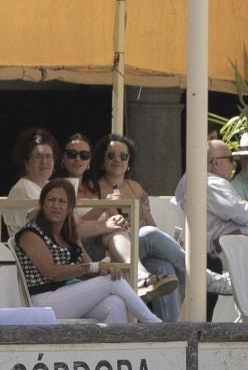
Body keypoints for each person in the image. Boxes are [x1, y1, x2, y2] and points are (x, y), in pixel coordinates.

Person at [13, 179, 162, 324]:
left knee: (115, 303)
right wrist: (96, 267)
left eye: (62, 201)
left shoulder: (68, 233)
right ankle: (155, 325)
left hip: (66, 296)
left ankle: (115, 348)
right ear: (42, 204)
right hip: (42, 301)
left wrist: (106, 268)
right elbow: (51, 272)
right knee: (112, 282)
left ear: (70, 207)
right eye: (51, 200)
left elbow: (89, 267)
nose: (56, 206)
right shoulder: (30, 233)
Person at [77, 132, 183, 317]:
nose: (117, 160)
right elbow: (82, 225)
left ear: (129, 162)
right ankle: (199, 276)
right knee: (148, 233)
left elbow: (151, 222)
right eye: (111, 155)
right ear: (102, 161)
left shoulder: (136, 187)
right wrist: (105, 204)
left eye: (123, 156)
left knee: (164, 268)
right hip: (110, 249)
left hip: (138, 247)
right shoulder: (93, 187)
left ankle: (170, 334)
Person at [175, 139, 248, 254]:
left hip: (212, 247)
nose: (234, 165)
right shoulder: (211, 183)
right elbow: (245, 215)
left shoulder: (196, 180)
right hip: (219, 250)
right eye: (230, 159)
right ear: (216, 163)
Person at [3, 127, 60, 237]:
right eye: (38, 156)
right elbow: (52, 224)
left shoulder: (50, 186)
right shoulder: (23, 189)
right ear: (25, 162)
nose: (45, 162)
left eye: (48, 156)